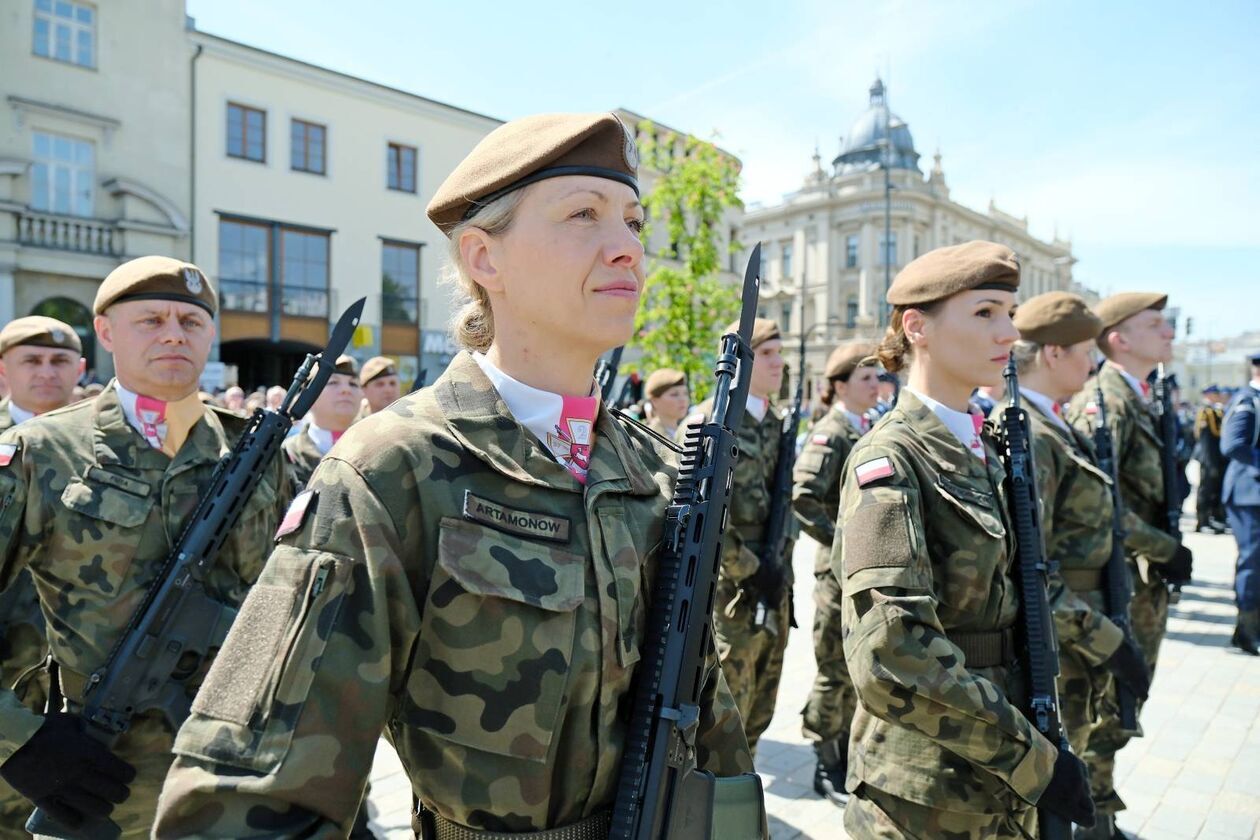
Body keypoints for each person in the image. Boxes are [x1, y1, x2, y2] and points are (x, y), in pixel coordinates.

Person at [155, 112, 753, 838]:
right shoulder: (392, 468)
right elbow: (244, 793)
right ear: (484, 258)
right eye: (584, 216)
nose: (626, 247)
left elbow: (705, 716)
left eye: (633, 221)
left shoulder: (653, 468)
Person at [0, 257, 288, 837]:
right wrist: (19, 740)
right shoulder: (41, 455)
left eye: (191, 320)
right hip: (100, 781)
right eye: (151, 320)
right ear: (106, 333)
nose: (174, 333)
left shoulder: (257, 454)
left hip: (239, 777)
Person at [836, 241, 1093, 837]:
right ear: (916, 326)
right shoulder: (891, 458)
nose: (1008, 332)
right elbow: (892, 653)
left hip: (1003, 762)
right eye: (984, 313)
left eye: (1010, 312)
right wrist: (1032, 761)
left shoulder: (986, 449)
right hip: (930, 788)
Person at [1011, 293, 1152, 840]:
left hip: (1081, 626)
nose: (1092, 364)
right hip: (1065, 635)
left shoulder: (1056, 427)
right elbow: (1031, 568)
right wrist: (1108, 640)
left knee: (1092, 739)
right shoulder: (1033, 436)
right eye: (1082, 352)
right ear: (1050, 354)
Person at [679, 317, 791, 756]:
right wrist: (750, 568)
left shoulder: (779, 422)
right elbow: (704, 515)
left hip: (776, 586)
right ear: (741, 363)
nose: (778, 363)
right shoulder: (713, 421)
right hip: (730, 595)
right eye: (767, 354)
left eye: (780, 353)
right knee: (726, 713)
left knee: (763, 702)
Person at [1066, 294, 1191, 681]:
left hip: (1141, 579)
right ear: (1120, 340)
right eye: (1154, 325)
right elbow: (1095, 503)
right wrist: (1164, 548)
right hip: (1116, 582)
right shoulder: (1105, 406)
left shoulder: (1140, 397)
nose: (1169, 332)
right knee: (1106, 721)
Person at [0, 316, 87, 834]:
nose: (47, 373)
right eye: (31, 360)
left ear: (80, 368)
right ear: (4, 370)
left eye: (59, 361)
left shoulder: (108, 455)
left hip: (89, 716)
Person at [791, 341, 878, 806]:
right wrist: (840, 540)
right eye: (865, 378)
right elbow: (804, 495)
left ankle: (845, 751)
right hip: (837, 573)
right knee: (832, 669)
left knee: (854, 668)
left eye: (877, 377)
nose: (876, 384)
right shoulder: (833, 431)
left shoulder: (870, 425)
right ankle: (826, 762)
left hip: (861, 571)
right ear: (840, 385)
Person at [1222, 352, 1260, 655]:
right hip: (1248, 494)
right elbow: (1233, 444)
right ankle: (1247, 631)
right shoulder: (1248, 400)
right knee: (1253, 562)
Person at [281, 354, 361, 494]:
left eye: (353, 383)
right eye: (333, 382)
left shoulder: (374, 449)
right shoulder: (286, 454)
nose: (346, 390)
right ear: (309, 396)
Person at [1194, 385, 1228, 533]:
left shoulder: (1217, 411)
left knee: (1215, 489)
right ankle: (1202, 522)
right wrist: (1209, 461)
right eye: (1215, 393)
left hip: (1216, 457)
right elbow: (1205, 439)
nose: (1218, 396)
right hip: (1208, 458)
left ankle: (1215, 517)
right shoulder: (1205, 412)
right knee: (1205, 490)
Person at [643, 367, 688, 438]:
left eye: (685, 393)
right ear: (655, 401)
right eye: (674, 394)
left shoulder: (686, 433)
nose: (683, 399)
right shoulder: (646, 437)